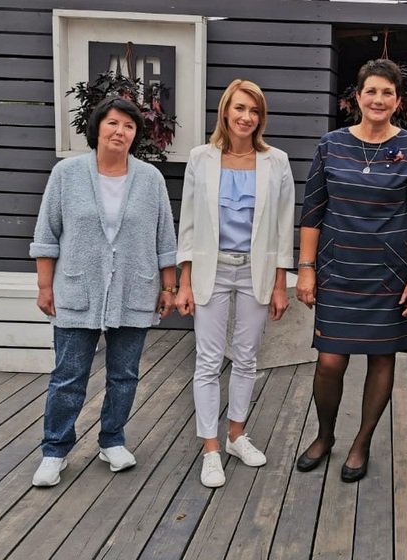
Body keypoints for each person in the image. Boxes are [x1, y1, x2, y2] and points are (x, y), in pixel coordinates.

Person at [295, 59, 407, 483]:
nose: (378, 99)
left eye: (387, 93)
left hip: (390, 274)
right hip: (337, 269)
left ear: (397, 101)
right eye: (371, 91)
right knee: (330, 361)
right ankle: (324, 435)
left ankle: (362, 442)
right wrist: (306, 268)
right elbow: (312, 211)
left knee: (381, 357)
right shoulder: (331, 144)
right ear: (357, 97)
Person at [30, 96, 178, 487]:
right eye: (113, 123)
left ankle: (112, 439)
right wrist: (44, 286)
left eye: (129, 126)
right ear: (97, 127)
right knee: (68, 376)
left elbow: (165, 238)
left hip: (134, 287)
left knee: (124, 375)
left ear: (135, 135)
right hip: (77, 288)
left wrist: (169, 286)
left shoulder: (150, 179)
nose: (120, 132)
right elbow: (47, 234)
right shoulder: (67, 174)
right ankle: (55, 449)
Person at [175, 79, 295, 488]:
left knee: (247, 359)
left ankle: (236, 435)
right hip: (211, 270)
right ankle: (210, 449)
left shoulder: (276, 161)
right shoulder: (201, 158)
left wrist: (280, 283)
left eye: (254, 110)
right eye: (240, 108)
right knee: (208, 361)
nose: (246, 117)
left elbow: (283, 227)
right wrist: (184, 282)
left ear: (262, 118)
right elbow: (189, 224)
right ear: (225, 110)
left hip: (255, 273)